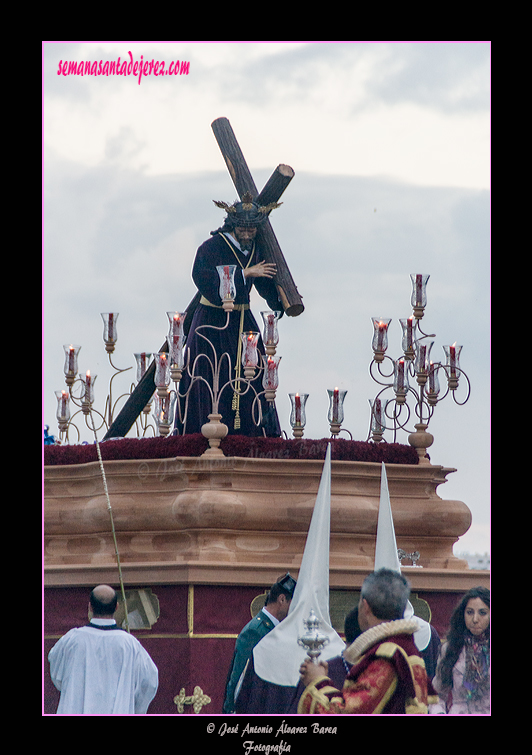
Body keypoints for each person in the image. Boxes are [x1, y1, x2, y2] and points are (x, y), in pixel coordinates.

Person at [175, 193, 284, 437]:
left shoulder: (256, 248)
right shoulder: (210, 248)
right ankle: (202, 435)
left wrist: (277, 303)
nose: (247, 235)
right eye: (242, 230)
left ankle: (251, 435)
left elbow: (264, 279)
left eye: (251, 230)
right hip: (210, 325)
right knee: (207, 376)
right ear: (232, 225)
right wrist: (244, 274)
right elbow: (203, 279)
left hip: (243, 324)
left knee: (254, 374)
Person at [298, 569, 437, 714]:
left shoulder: (387, 656)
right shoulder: (405, 646)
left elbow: (347, 713)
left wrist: (319, 681)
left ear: (365, 607)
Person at [48, 585, 159, 715]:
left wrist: (72, 689)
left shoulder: (73, 640)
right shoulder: (129, 644)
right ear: (116, 607)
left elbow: (56, 672)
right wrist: (134, 707)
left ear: (90, 607)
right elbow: (149, 682)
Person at [223, 573, 296, 713]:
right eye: (292, 603)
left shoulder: (277, 629)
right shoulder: (256, 631)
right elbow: (238, 678)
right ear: (282, 599)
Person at [429, 586, 490, 714]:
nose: (475, 619)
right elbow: (436, 695)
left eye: (482, 613)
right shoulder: (450, 648)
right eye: (469, 612)